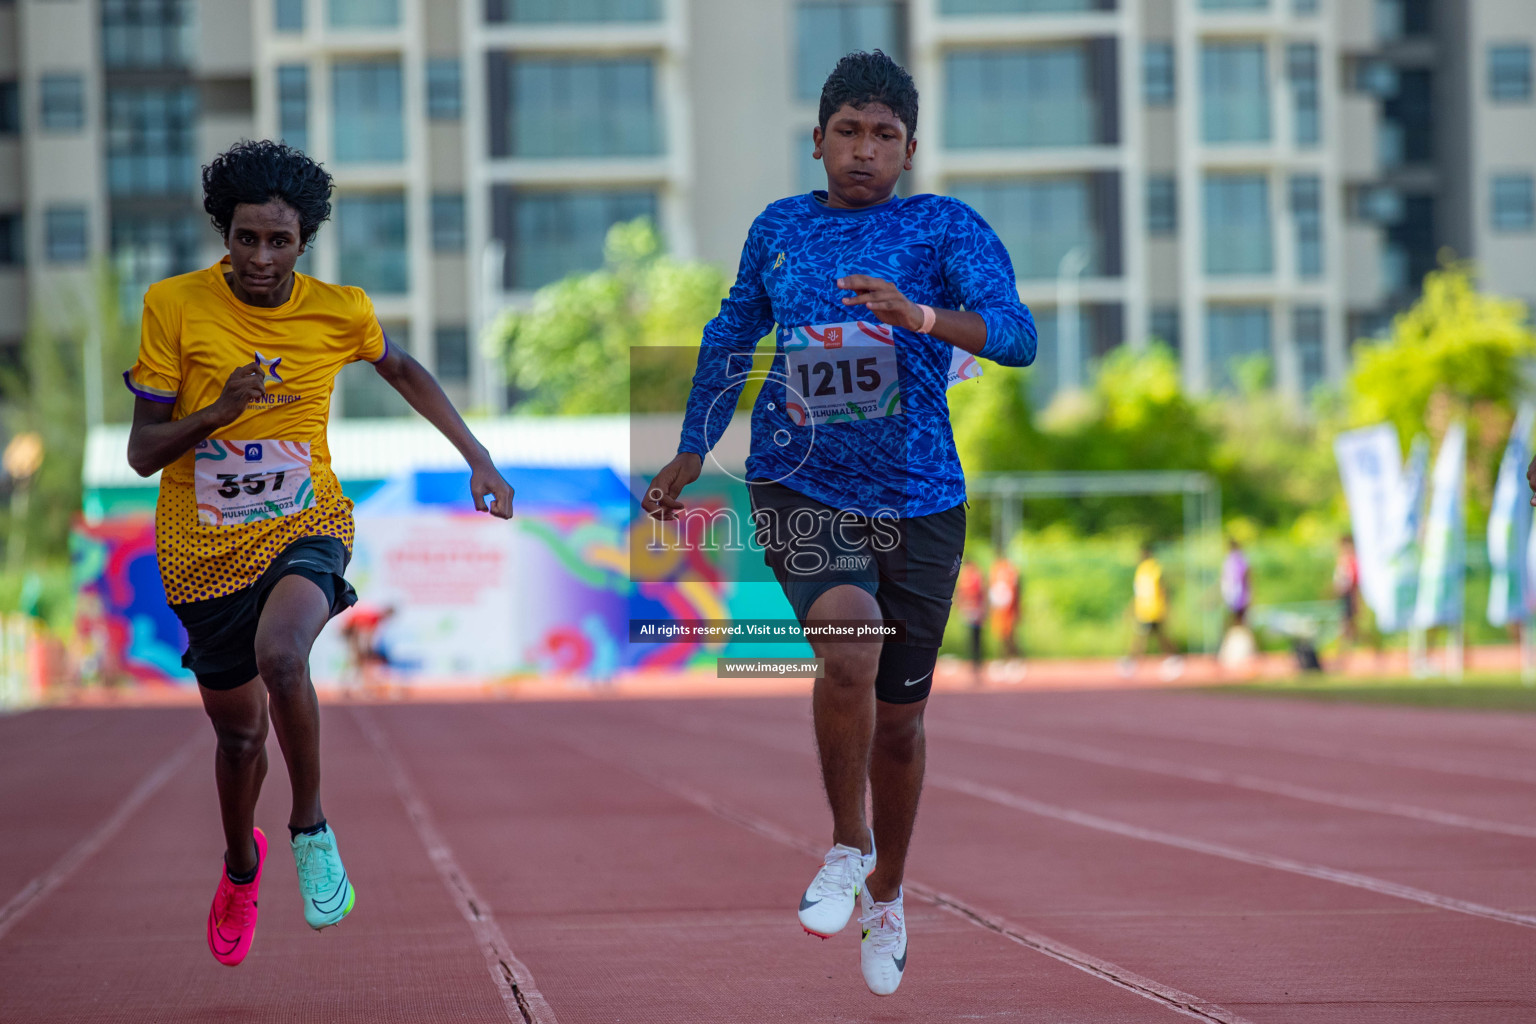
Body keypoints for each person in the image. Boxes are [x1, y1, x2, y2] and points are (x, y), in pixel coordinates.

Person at [641, 51, 1034, 996]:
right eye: (848, 132)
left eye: (884, 136)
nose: (864, 151)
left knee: (900, 725)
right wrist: (695, 444)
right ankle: (846, 845)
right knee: (846, 645)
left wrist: (923, 314)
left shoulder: (944, 226)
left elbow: (1017, 335)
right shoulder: (778, 229)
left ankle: (890, 896)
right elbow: (730, 335)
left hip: (922, 498)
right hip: (798, 480)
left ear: (908, 148)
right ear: (816, 140)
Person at [123, 140, 514, 968]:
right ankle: (240, 866)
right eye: (245, 239)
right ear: (222, 233)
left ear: (306, 241)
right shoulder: (173, 305)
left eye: (280, 242)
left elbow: (401, 368)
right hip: (201, 542)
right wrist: (219, 411)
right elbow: (143, 453)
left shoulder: (339, 310)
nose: (262, 258)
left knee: (284, 654)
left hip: (306, 518)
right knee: (237, 739)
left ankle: (310, 826)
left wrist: (477, 455)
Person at [1126, 543, 1179, 671]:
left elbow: (1163, 589)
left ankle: (1131, 661)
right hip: (1145, 610)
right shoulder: (1142, 570)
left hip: (1153, 610)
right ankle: (1174, 657)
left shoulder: (1154, 569)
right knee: (1157, 636)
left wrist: (1165, 606)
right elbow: (1139, 593)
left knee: (1143, 637)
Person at [956, 559, 986, 687]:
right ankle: (975, 663)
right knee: (973, 638)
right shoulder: (971, 576)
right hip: (972, 610)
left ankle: (976, 663)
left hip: (974, 611)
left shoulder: (971, 577)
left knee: (975, 638)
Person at [988, 556, 1022, 661]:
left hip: (1009, 611)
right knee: (1001, 636)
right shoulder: (996, 571)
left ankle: (1014, 658)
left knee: (1010, 636)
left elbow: (1015, 591)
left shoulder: (1011, 572)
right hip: (1000, 611)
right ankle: (1004, 658)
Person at [1333, 533, 1360, 658]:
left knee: (1350, 621)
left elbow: (1352, 578)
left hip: (1350, 592)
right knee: (1345, 622)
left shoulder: (1352, 559)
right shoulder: (1343, 559)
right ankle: (1345, 649)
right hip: (1344, 593)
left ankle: (1349, 649)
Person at [1220, 537, 1251, 627]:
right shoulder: (1236, 559)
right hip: (1236, 592)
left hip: (1235, 592)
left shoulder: (1232, 560)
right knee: (1238, 616)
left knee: (1235, 615)